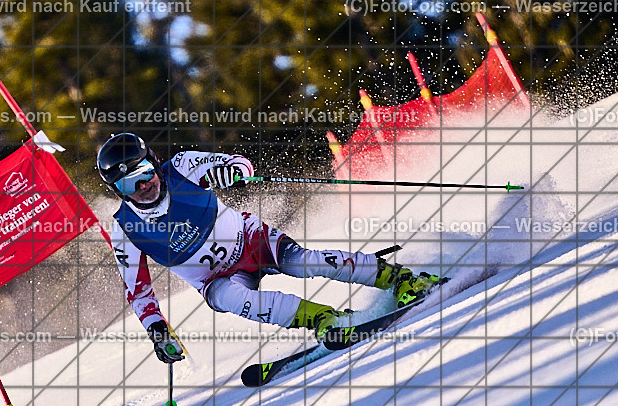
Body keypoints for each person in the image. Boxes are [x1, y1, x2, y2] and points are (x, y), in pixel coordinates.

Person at [96, 133, 442, 363]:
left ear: (154, 162)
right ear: (117, 190)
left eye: (144, 172)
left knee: (303, 263)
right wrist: (158, 331)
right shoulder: (125, 230)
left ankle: (402, 279)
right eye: (128, 183)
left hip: (251, 240)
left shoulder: (182, 167)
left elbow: (238, 163)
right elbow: (139, 292)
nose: (143, 186)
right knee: (230, 299)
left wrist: (231, 172)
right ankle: (325, 318)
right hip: (215, 280)